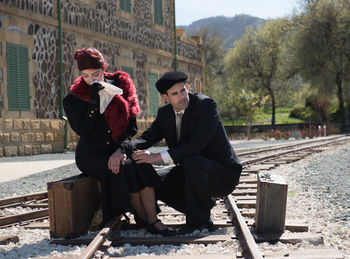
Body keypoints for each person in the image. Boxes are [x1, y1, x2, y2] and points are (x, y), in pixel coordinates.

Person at [63, 47, 175, 236]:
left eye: (96, 74)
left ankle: (153, 219)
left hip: (118, 148)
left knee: (140, 162)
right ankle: (143, 219)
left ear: (104, 69)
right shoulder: (73, 98)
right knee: (124, 168)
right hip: (92, 155)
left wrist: (121, 150)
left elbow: (131, 127)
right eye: (86, 75)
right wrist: (93, 103)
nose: (92, 80)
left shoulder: (121, 84)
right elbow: (83, 131)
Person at [131, 71, 242, 234]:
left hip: (222, 174)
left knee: (192, 160)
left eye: (183, 90)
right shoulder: (165, 113)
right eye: (175, 93)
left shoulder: (205, 105)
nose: (182, 96)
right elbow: (147, 138)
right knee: (156, 181)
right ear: (166, 97)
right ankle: (200, 205)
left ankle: (200, 223)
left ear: (187, 87)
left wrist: (156, 157)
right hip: (191, 172)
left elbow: (196, 145)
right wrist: (122, 150)